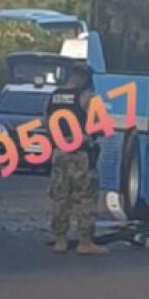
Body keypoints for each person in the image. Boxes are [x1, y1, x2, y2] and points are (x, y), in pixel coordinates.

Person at [47, 63, 108, 255]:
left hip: (59, 153)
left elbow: (46, 123)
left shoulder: (54, 96)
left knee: (60, 196)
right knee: (85, 197)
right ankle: (85, 241)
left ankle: (60, 239)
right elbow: (102, 127)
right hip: (81, 153)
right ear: (85, 78)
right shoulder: (88, 98)